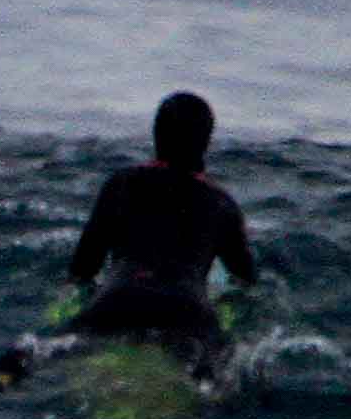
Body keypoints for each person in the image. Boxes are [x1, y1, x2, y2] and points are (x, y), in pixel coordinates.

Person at [60, 89, 260, 363]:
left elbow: (82, 271)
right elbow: (245, 283)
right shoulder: (222, 205)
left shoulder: (120, 185)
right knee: (225, 371)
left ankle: (5, 376)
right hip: (188, 310)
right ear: (206, 142)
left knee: (42, 351)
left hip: (119, 300)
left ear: (156, 135)